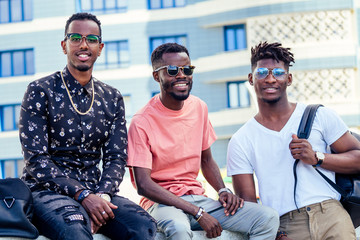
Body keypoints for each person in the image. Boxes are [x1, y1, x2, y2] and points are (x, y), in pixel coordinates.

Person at [19, 12, 156, 240]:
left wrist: (101, 196)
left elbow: (116, 157)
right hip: (47, 191)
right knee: (75, 229)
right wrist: (82, 196)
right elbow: (36, 160)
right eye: (76, 38)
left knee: (144, 227)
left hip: (97, 190)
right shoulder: (40, 91)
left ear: (100, 48)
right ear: (64, 45)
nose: (84, 45)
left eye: (91, 39)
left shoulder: (111, 97)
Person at [126, 42, 279, 240]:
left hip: (198, 199)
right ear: (157, 76)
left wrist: (222, 190)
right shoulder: (141, 122)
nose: (182, 75)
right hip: (161, 205)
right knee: (180, 230)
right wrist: (196, 212)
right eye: (172, 70)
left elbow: (206, 160)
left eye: (187, 69)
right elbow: (143, 185)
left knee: (266, 218)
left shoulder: (199, 107)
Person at [227, 41, 360, 240]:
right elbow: (248, 201)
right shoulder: (241, 140)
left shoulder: (319, 116)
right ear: (251, 78)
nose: (270, 79)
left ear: (288, 79)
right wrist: (276, 232)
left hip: (331, 216)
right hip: (285, 225)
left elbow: (358, 158)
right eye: (262, 72)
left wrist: (317, 157)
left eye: (278, 73)